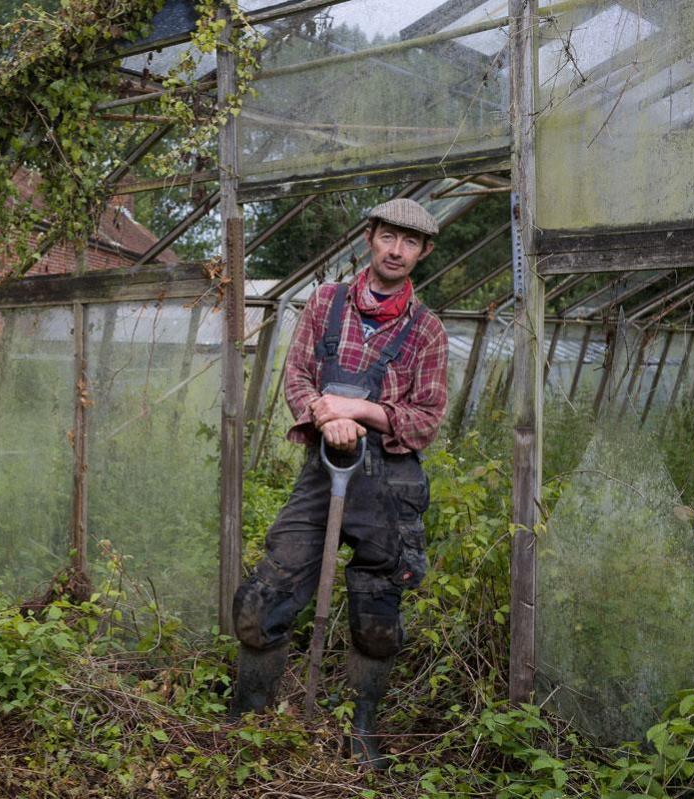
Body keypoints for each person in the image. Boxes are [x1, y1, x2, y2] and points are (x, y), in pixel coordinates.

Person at [230, 198, 449, 770]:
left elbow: (426, 417)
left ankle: (362, 729)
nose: (396, 250)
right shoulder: (325, 304)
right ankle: (248, 721)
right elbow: (299, 375)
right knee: (263, 599)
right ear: (370, 237)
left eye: (410, 243)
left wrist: (364, 411)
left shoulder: (427, 331)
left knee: (378, 620)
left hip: (390, 489)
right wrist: (328, 416)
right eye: (388, 237)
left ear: (423, 253)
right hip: (322, 469)